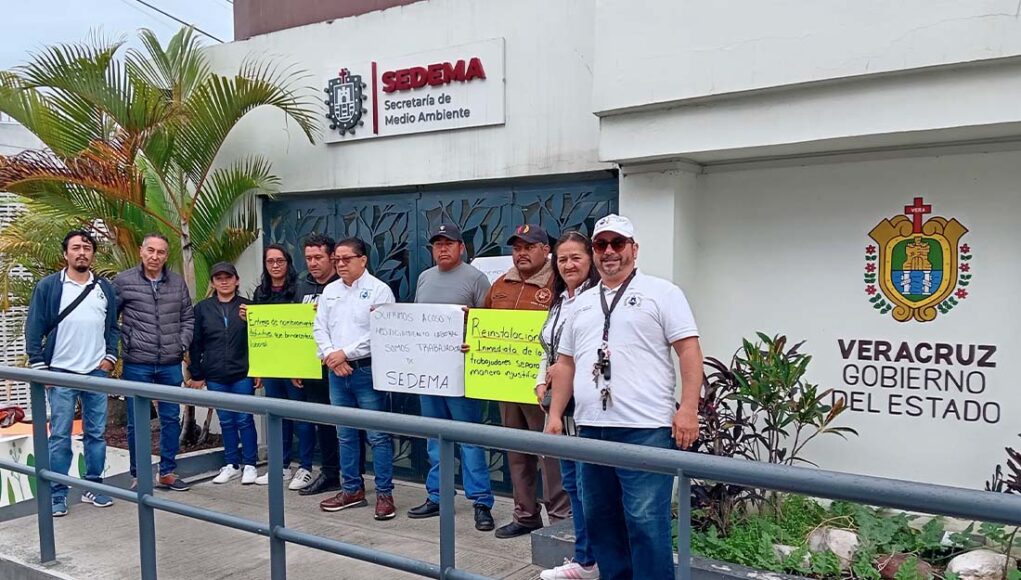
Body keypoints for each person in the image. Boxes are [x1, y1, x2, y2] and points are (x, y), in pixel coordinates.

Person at [548, 214, 703, 580]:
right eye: (601, 245)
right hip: (591, 430)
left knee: (645, 524)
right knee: (601, 521)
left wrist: (688, 409)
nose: (609, 252)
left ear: (634, 249)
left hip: (645, 429)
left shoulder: (663, 293)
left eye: (617, 243)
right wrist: (554, 416)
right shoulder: (581, 303)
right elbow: (565, 364)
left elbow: (689, 351)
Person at [406, 223, 495, 531]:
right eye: (437, 244)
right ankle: (438, 496)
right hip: (429, 372)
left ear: (461, 247)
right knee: (435, 437)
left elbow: (489, 323)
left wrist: (473, 329)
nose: (442, 249)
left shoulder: (476, 278)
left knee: (469, 438)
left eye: (448, 243)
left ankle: (481, 502)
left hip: (460, 373)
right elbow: (416, 321)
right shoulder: (424, 277)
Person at [25, 230, 120, 516]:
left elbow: (112, 327)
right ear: (65, 253)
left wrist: (110, 357)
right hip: (60, 373)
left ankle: (94, 486)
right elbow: (34, 327)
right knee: (60, 436)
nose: (82, 252)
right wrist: (40, 366)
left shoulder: (103, 287)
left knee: (96, 434)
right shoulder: (49, 287)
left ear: (93, 254)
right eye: (76, 248)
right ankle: (58, 494)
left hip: (95, 373)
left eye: (87, 248)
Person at [484, 224, 570, 539]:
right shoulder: (500, 284)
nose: (521, 253)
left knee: (550, 454)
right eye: (517, 247)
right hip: (506, 383)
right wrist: (473, 343)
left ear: (546, 250)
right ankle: (525, 515)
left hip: (543, 387)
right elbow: (483, 324)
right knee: (517, 451)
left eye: (529, 247)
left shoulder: (558, 283)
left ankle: (560, 521)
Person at [314, 238, 397, 520]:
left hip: (366, 371)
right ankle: (351, 489)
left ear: (363, 260)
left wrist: (344, 354)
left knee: (378, 435)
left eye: (346, 259)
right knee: (345, 434)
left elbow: (381, 333)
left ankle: (384, 494)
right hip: (337, 373)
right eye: (336, 259)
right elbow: (319, 328)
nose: (340, 264)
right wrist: (331, 356)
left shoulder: (379, 290)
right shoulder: (330, 291)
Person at [536, 231, 600, 580]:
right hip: (560, 403)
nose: (569, 265)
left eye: (576, 257)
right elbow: (549, 349)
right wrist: (539, 380)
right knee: (573, 483)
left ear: (590, 259)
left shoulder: (596, 300)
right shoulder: (560, 300)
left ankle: (589, 559)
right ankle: (585, 557)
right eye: (562, 259)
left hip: (585, 404)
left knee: (587, 486)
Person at [114, 233, 194, 492]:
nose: (154, 256)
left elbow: (187, 317)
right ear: (141, 251)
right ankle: (139, 476)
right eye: (150, 250)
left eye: (160, 252)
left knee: (171, 418)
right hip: (137, 362)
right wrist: (123, 344)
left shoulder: (177, 283)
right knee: (137, 421)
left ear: (166, 256)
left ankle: (167, 472)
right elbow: (109, 319)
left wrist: (181, 344)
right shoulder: (124, 281)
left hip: (170, 363)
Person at [248, 245, 314, 489]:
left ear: (288, 263)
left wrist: (300, 365)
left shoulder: (300, 289)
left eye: (280, 261)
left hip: (296, 365)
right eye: (270, 261)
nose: (275, 265)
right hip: (271, 364)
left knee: (302, 417)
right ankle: (281, 466)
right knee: (277, 416)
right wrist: (258, 367)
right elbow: (257, 332)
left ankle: (305, 467)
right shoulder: (260, 292)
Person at [187, 262, 258, 485]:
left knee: (244, 419)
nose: (224, 281)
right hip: (215, 374)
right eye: (219, 278)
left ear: (237, 280)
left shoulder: (248, 306)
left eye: (228, 277)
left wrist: (259, 370)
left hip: (242, 373)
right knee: (226, 420)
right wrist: (197, 373)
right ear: (213, 282)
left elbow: (259, 341)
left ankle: (250, 464)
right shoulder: (202, 308)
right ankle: (232, 464)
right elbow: (196, 343)